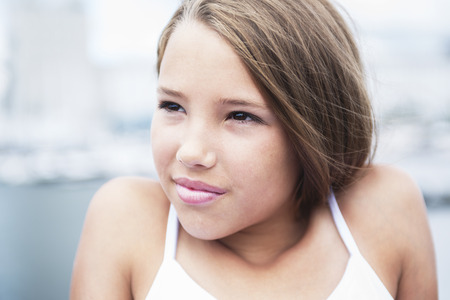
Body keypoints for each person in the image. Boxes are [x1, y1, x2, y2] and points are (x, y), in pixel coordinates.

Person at [70, 0, 437, 299]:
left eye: (240, 116)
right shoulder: (126, 222)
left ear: (315, 128)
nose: (191, 152)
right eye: (173, 106)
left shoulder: (386, 209)